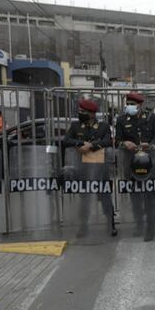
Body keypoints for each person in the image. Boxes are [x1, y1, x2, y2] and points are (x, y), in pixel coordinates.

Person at [63, 99, 115, 237]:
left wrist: (91, 146)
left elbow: (108, 141)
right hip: (83, 168)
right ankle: (83, 226)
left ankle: (111, 224)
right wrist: (81, 143)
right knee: (85, 199)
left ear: (91, 114)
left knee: (105, 197)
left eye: (83, 111)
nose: (80, 113)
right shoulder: (75, 126)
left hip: (100, 168)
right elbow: (66, 140)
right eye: (80, 111)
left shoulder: (103, 126)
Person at [115, 92, 155, 241]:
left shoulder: (151, 117)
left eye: (132, 104)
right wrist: (124, 143)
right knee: (135, 196)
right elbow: (117, 140)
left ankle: (151, 227)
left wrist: (151, 145)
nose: (129, 106)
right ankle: (139, 224)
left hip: (149, 161)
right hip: (130, 161)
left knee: (149, 195)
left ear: (140, 105)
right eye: (128, 103)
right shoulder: (121, 119)